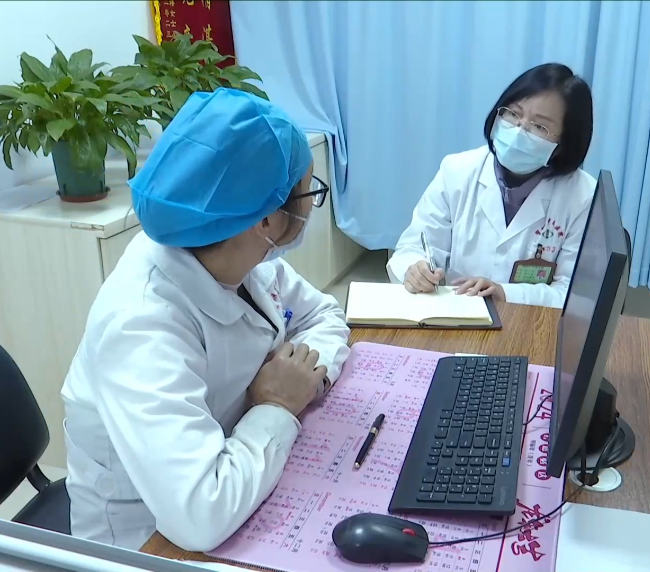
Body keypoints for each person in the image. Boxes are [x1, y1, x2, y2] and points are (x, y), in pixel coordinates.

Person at [60, 88, 350, 552]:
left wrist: (306, 379)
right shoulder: (141, 325)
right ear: (267, 219)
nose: (309, 208)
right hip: (148, 543)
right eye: (308, 193)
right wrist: (277, 405)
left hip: (243, 470)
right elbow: (200, 515)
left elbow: (324, 314)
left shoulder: (238, 249)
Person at [387, 63, 596, 309]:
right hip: (458, 314)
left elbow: (575, 295)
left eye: (540, 127)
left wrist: (504, 293)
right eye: (513, 114)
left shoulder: (582, 196)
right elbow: (413, 247)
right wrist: (414, 269)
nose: (519, 130)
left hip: (532, 322)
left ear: (565, 142)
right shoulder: (457, 171)